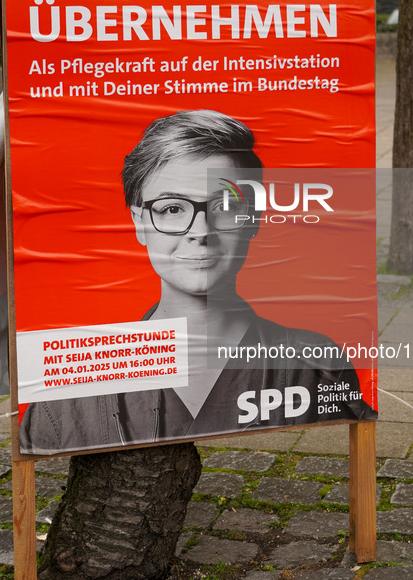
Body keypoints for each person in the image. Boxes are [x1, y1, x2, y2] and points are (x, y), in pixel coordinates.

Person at [20, 110, 376, 454]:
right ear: (140, 222)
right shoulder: (68, 388)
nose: (201, 232)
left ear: (253, 218)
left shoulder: (315, 367)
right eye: (172, 208)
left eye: (224, 205)